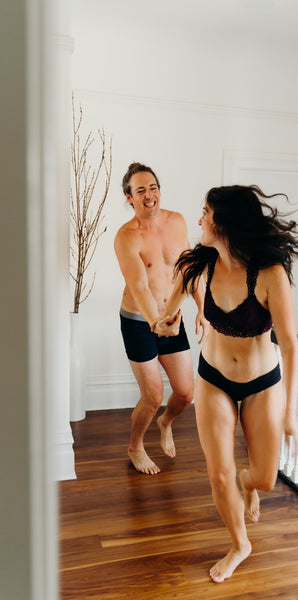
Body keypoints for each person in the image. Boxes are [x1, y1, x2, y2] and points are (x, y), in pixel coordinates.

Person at [154, 184, 298, 582]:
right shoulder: (197, 267)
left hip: (262, 383)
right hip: (215, 379)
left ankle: (247, 482)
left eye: (206, 212)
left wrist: (291, 414)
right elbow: (168, 311)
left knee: (265, 478)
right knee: (218, 472)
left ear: (225, 221)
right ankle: (240, 544)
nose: (199, 218)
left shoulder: (270, 273)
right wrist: (166, 323)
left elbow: (290, 347)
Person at [114, 162, 208, 475]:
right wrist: (156, 321)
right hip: (139, 321)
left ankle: (165, 422)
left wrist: (202, 308)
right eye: (140, 190)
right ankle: (135, 446)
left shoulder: (176, 222)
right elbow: (139, 285)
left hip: (171, 317)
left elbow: (188, 270)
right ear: (129, 197)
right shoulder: (126, 236)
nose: (149, 194)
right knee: (153, 395)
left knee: (185, 393)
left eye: (153, 187)